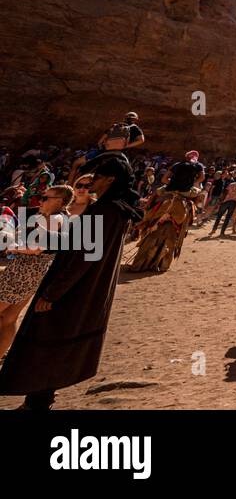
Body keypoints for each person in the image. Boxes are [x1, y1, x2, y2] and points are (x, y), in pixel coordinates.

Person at [0, 153, 142, 410]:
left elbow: (83, 259)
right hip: (79, 290)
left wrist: (53, 293)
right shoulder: (114, 209)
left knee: (47, 343)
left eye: (96, 178)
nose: (91, 183)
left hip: (72, 292)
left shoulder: (106, 211)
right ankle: (38, 401)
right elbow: (80, 246)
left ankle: (37, 404)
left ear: (110, 179)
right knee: (52, 346)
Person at [0, 184, 72, 362]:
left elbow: (37, 248)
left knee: (7, 317)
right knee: (9, 318)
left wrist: (11, 248)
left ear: (60, 201)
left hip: (24, 271)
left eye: (46, 198)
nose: (40, 200)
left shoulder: (54, 219)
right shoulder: (58, 218)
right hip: (34, 273)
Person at [211, 169, 236, 236]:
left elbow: (225, 192)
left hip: (226, 201)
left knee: (219, 216)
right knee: (227, 217)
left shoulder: (231, 184)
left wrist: (221, 200)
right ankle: (222, 232)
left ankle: (214, 229)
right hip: (234, 203)